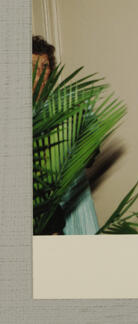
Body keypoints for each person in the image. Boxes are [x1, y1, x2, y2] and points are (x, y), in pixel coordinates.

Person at [32, 35, 100, 235]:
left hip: (74, 198)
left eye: (44, 66)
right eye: (32, 67)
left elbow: (92, 153)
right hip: (40, 214)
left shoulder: (69, 104)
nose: (39, 74)